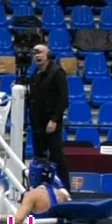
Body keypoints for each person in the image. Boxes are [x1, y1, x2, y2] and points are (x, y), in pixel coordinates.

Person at [27, 45, 69, 187]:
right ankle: (41, 188)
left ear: (48, 55)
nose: (37, 56)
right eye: (35, 53)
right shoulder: (35, 73)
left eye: (40, 53)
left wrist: (54, 119)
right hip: (37, 121)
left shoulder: (57, 72)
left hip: (51, 121)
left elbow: (63, 99)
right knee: (39, 157)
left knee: (56, 156)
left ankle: (65, 188)